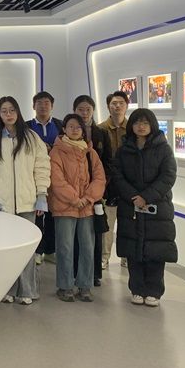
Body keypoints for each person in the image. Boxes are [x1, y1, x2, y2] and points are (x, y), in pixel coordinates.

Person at [0, 96, 50, 305]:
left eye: (12, 110)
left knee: (27, 250)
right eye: (4, 111)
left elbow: (41, 167)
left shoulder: (31, 138)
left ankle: (27, 290)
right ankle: (8, 289)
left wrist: (41, 194)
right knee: (6, 250)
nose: (8, 114)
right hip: (3, 206)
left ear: (18, 112)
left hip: (27, 203)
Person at [113, 108, 177, 307]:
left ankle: (154, 291)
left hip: (157, 208)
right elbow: (117, 175)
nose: (141, 126)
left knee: (156, 251)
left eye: (145, 123)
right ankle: (137, 289)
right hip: (130, 206)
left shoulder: (163, 149)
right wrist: (134, 197)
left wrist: (147, 197)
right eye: (137, 122)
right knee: (133, 251)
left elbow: (168, 176)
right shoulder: (124, 150)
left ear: (152, 125)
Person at [49, 114, 106, 302]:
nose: (74, 130)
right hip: (64, 206)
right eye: (71, 126)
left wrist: (88, 198)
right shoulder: (56, 152)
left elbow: (99, 178)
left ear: (83, 130)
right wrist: (75, 199)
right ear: (64, 129)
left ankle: (85, 285)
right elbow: (56, 181)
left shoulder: (90, 153)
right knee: (65, 247)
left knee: (88, 247)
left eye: (78, 127)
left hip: (87, 207)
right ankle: (65, 286)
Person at [73, 95, 113, 286]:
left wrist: (99, 188)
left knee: (94, 233)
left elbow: (108, 163)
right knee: (75, 237)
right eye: (80, 109)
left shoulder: (101, 133)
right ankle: (75, 272)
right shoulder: (68, 132)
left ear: (93, 111)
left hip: (96, 193)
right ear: (74, 111)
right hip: (73, 194)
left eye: (88, 109)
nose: (84, 113)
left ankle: (94, 273)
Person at [26, 91, 63, 264]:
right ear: (33, 106)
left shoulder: (60, 125)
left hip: (56, 176)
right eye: (39, 103)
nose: (43, 106)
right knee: (37, 213)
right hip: (33, 176)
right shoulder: (26, 127)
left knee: (53, 214)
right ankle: (38, 250)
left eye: (47, 102)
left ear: (52, 106)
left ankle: (50, 249)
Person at [98, 90, 130, 269]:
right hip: (108, 184)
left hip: (129, 184)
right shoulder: (101, 128)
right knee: (108, 223)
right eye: (114, 103)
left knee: (127, 223)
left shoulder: (133, 128)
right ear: (108, 107)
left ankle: (126, 256)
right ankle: (104, 257)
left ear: (126, 106)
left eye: (121, 103)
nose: (117, 106)